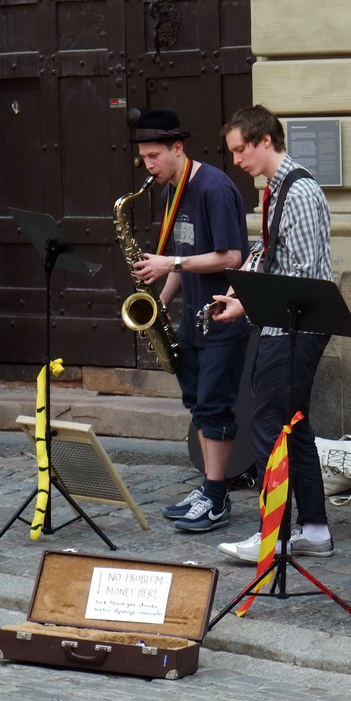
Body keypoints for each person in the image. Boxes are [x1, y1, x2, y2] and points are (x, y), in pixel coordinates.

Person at [209, 104, 335, 560]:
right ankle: (314, 530)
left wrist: (248, 303)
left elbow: (298, 275)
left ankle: (274, 535)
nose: (236, 160)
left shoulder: (298, 191)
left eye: (241, 149)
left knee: (267, 428)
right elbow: (268, 251)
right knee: (293, 428)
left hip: (295, 330)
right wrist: (238, 291)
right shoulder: (278, 188)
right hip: (286, 326)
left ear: (265, 140)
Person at [130, 109, 250, 533]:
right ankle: (208, 489)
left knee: (215, 407)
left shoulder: (214, 188)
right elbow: (182, 259)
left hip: (221, 317)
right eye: (144, 157)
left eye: (154, 156)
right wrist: (160, 302)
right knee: (198, 405)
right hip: (191, 321)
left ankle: (216, 498)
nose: (148, 165)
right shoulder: (171, 190)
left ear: (178, 148)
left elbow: (231, 256)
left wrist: (170, 263)